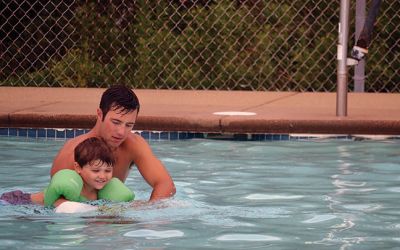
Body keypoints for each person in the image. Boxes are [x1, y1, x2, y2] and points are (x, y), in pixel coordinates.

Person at [31, 84, 175, 205]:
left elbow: (166, 185)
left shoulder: (133, 145)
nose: (121, 132)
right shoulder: (74, 153)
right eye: (116, 122)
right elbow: (54, 203)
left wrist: (149, 213)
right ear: (100, 114)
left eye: (129, 125)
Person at [1, 137, 133, 206]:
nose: (102, 176)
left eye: (108, 170)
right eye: (96, 170)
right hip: (17, 201)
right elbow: (64, 206)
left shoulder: (101, 192)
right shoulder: (70, 187)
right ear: (78, 168)